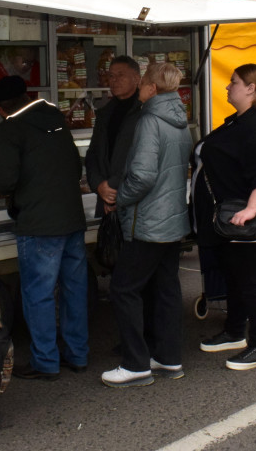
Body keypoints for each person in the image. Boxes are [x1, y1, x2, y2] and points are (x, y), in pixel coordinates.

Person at [0, 76, 88, 380]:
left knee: (40, 294)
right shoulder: (56, 120)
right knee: (74, 290)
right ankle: (78, 355)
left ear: (0, 109)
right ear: (26, 96)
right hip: (71, 217)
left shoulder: (11, 129)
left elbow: (4, 181)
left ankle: (45, 361)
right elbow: (75, 166)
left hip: (38, 223)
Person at [102, 63, 193, 388]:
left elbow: (142, 175)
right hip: (171, 219)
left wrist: (118, 198)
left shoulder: (149, 121)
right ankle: (168, 358)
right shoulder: (180, 120)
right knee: (166, 288)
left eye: (142, 84)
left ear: (152, 89)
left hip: (148, 221)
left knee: (124, 288)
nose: (139, 88)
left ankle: (135, 363)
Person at [192, 64, 256, 371]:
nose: (227, 87)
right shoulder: (238, 122)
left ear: (251, 88)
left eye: (233, 83)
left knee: (252, 281)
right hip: (230, 218)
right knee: (235, 276)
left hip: (250, 220)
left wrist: (251, 210)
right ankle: (234, 332)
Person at [85, 56, 143, 217]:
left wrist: (115, 188)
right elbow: (93, 154)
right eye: (111, 76)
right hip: (106, 200)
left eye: (121, 75)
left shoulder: (145, 112)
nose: (114, 80)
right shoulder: (105, 113)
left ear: (136, 78)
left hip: (134, 204)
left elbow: (143, 161)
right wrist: (99, 186)